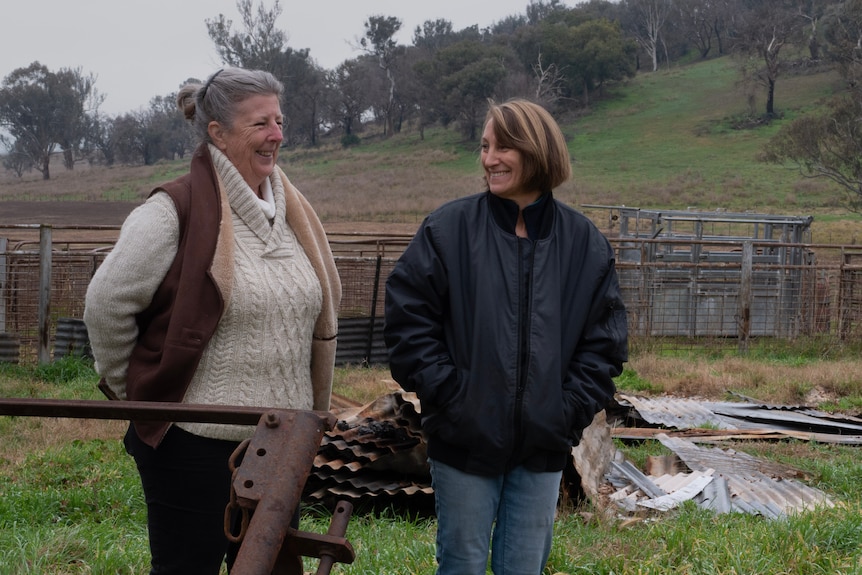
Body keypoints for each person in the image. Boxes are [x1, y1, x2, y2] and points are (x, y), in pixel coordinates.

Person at [83, 67, 341, 575]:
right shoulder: (171, 211)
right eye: (260, 124)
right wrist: (139, 393)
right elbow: (106, 305)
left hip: (282, 443)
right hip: (193, 445)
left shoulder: (294, 214)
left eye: (279, 121)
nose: (277, 135)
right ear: (216, 133)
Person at [384, 98, 628, 575]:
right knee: (463, 565)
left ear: (537, 151)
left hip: (542, 443)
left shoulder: (584, 243)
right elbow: (408, 322)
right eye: (484, 146)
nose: (489, 158)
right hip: (464, 438)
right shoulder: (447, 230)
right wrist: (453, 399)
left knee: (523, 568)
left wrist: (563, 413)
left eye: (502, 147)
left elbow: (604, 344)